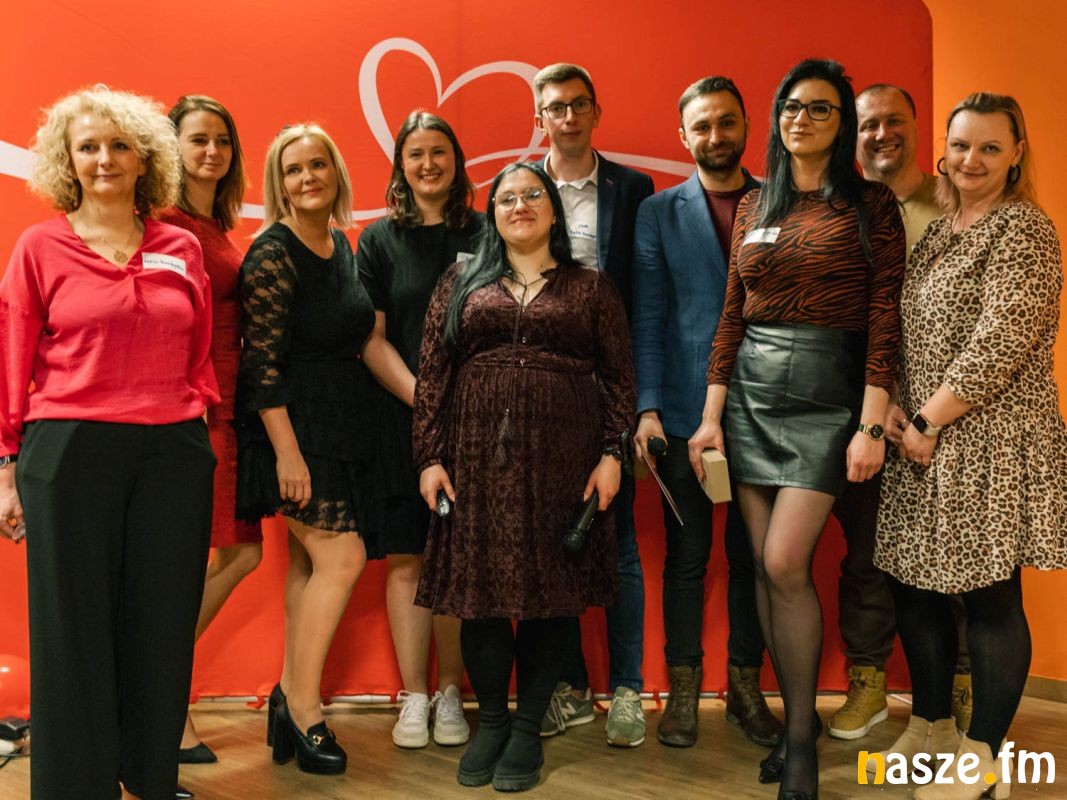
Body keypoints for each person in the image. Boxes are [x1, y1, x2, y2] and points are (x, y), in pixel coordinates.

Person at [688, 59, 905, 800]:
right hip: (750, 395)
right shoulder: (756, 201)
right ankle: (795, 725)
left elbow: (884, 316)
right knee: (762, 567)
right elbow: (731, 314)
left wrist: (869, 423)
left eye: (818, 108)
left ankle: (804, 743)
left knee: (786, 563)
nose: (800, 119)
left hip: (828, 394)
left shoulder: (869, 203)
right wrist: (710, 417)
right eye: (790, 106)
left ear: (841, 122)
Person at [0, 85, 219, 800]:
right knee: (73, 629)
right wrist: (5, 470)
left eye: (119, 145)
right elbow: (11, 361)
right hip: (69, 453)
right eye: (88, 146)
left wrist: (194, 427)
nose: (104, 159)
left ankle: (149, 775)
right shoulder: (39, 247)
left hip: (172, 454)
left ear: (144, 158)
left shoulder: (180, 246)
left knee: (161, 622)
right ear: (67, 160)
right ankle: (75, 786)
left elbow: (199, 353)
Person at [413, 162, 635, 791]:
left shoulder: (591, 287)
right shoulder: (461, 280)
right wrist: (429, 457)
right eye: (506, 198)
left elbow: (620, 379)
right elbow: (432, 373)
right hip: (474, 463)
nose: (520, 205)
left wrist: (613, 454)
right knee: (481, 597)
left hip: (565, 464)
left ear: (553, 209)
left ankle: (528, 726)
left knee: (548, 597)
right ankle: (492, 722)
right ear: (493, 214)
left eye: (532, 194)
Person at [874, 92, 1067, 800]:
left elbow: (1000, 343)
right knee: (912, 586)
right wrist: (899, 407)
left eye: (989, 147)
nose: (971, 160)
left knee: (989, 596)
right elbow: (909, 328)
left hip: (988, 439)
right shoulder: (938, 230)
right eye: (960, 145)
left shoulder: (1024, 229)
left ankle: (982, 759)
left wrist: (929, 421)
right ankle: (930, 726)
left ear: (1016, 153)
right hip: (919, 435)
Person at [631, 76, 781, 749]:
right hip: (687, 412)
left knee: (754, 557)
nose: (715, 136)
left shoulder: (782, 202)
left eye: (726, 122)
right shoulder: (658, 213)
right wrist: (649, 408)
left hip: (770, 411)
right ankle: (684, 687)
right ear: (683, 136)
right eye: (701, 126)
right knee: (687, 556)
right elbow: (649, 317)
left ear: (746, 124)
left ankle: (745, 686)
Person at [826, 82, 971, 741]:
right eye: (868, 125)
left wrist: (934, 411)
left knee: (956, 559)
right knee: (865, 555)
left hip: (950, 415)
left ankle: (962, 687)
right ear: (851, 137)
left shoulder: (958, 200)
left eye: (894, 121)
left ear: (919, 127)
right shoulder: (845, 209)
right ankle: (868, 681)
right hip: (872, 410)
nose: (881, 134)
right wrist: (879, 404)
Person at [235, 123, 381, 776]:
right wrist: (287, 456)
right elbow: (260, 366)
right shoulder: (272, 252)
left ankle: (285, 697)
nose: (307, 178)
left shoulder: (341, 243)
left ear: (335, 172)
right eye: (292, 170)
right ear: (280, 184)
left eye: (317, 164)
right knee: (342, 555)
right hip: (292, 431)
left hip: (340, 425)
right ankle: (303, 708)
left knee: (306, 565)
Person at [532, 61, 653, 748]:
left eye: (580, 104)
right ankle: (570, 689)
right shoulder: (520, 188)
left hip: (612, 384)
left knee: (620, 542)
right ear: (539, 118)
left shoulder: (632, 189)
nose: (569, 117)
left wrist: (637, 402)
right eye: (556, 107)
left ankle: (629, 689)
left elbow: (646, 297)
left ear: (596, 112)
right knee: (555, 540)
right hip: (545, 391)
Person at [358, 110, 483, 749]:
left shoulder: (487, 230)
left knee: (457, 558)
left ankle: (451, 691)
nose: (428, 164)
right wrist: (425, 400)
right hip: (400, 415)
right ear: (401, 166)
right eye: (416, 154)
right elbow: (371, 340)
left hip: (478, 422)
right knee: (409, 555)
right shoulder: (378, 240)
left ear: (456, 161)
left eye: (439, 152)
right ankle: (413, 694)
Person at [160, 94, 262, 765]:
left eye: (222, 140)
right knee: (210, 557)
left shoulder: (213, 224)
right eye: (198, 139)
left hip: (231, 405)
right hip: (200, 409)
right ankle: (161, 702)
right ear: (172, 147)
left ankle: (158, 693)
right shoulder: (165, 223)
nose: (212, 151)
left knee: (234, 554)